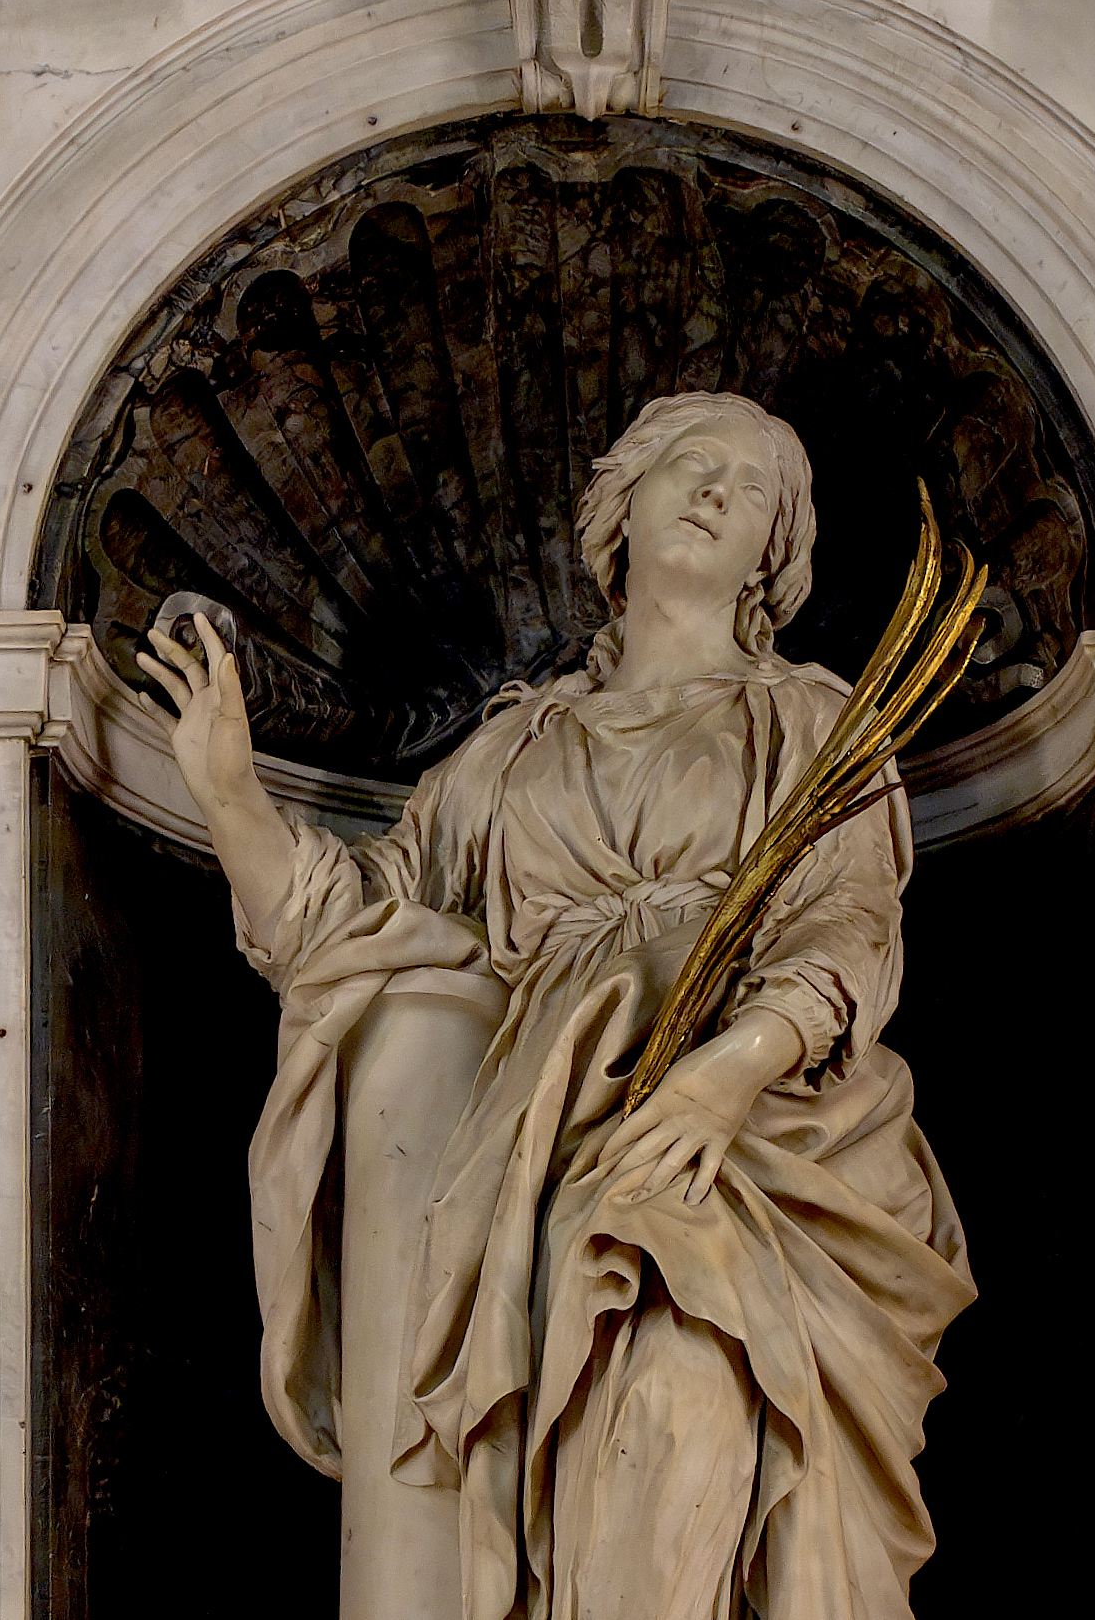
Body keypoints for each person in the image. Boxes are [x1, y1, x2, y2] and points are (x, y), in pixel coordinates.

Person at [139, 392, 973, 1620]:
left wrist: (727, 1072)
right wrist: (227, 795)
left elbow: (845, 924)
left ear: (772, 555)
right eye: (690, 463)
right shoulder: (506, 755)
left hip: (752, 1136)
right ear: (619, 504)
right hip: (526, 1149)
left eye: (751, 487)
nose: (713, 492)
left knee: (678, 1383)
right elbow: (346, 930)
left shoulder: (811, 723)